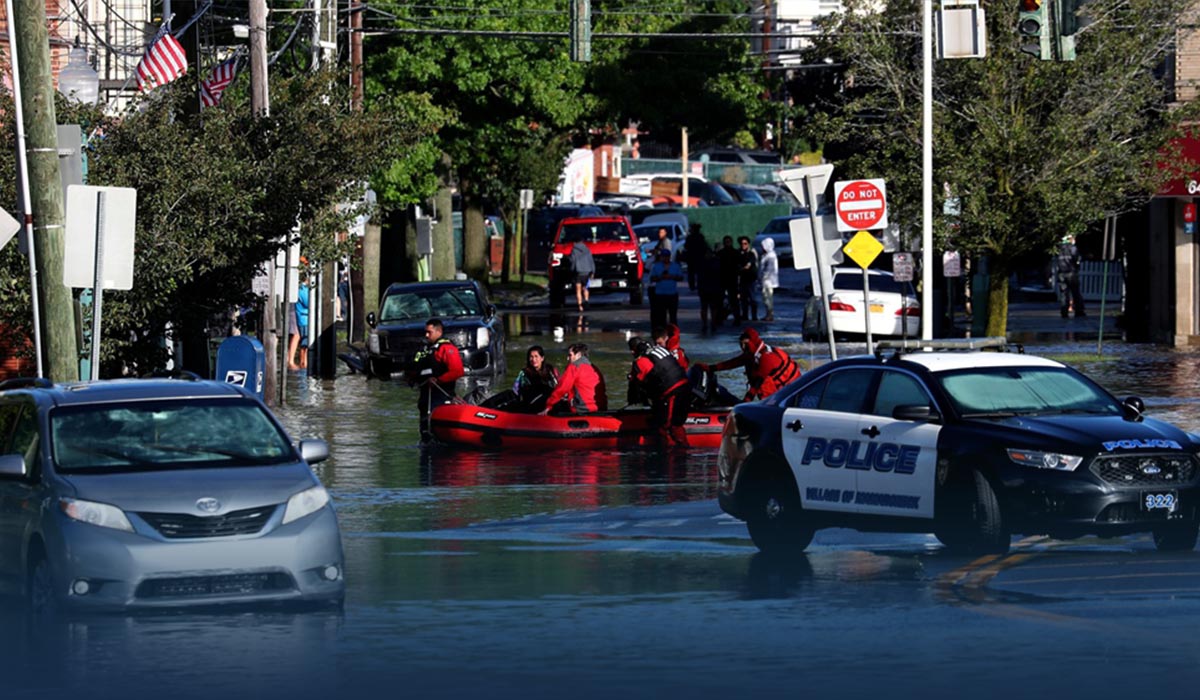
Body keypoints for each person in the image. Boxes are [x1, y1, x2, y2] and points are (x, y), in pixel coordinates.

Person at [697, 327, 800, 402]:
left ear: (753, 342)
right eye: (741, 344)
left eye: (745, 344)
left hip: (788, 393)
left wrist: (745, 403)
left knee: (764, 385)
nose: (743, 347)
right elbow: (732, 363)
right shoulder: (753, 353)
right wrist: (710, 368)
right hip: (781, 392)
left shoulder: (767, 358)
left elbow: (757, 384)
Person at [627, 336, 692, 448]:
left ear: (633, 350)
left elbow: (636, 386)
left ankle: (674, 454)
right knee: (675, 422)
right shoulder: (660, 349)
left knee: (667, 426)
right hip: (685, 386)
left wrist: (633, 399)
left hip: (673, 392)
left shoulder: (642, 361)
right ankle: (680, 450)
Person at [408, 318, 465, 440]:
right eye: (425, 332)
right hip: (425, 397)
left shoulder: (446, 349)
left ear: (439, 332)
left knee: (435, 428)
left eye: (429, 332)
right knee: (425, 428)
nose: (426, 335)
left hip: (441, 395)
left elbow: (457, 371)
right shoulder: (425, 350)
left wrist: (438, 380)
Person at [542, 343, 608, 415]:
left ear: (578, 355)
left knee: (555, 404)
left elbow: (562, 389)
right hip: (601, 408)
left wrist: (549, 406)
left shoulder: (574, 367)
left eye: (570, 355)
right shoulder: (594, 368)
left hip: (582, 409)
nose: (567, 358)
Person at [512, 345, 559, 411]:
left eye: (536, 356)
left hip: (548, 400)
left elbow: (558, 387)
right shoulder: (524, 373)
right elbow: (516, 390)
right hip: (531, 402)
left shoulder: (550, 370)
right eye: (531, 357)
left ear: (542, 358)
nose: (533, 359)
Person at [649, 248, 683, 328]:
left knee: (673, 317)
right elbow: (652, 279)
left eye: (667, 256)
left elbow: (681, 278)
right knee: (661, 317)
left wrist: (672, 277)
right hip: (660, 294)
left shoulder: (675, 266)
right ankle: (663, 333)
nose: (665, 258)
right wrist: (661, 277)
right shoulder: (656, 266)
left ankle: (674, 333)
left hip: (672, 294)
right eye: (663, 256)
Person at [1055, 234, 1086, 318]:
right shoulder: (1072, 248)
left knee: (1064, 293)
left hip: (1061, 274)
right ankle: (1078, 311)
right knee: (1075, 293)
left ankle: (1064, 311)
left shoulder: (1059, 250)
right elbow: (1077, 259)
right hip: (1071, 273)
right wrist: (1077, 266)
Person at [698, 249, 725, 333]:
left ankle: (709, 323)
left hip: (710, 288)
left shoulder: (706, 263)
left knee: (709, 308)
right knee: (708, 308)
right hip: (708, 288)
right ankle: (709, 323)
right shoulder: (714, 263)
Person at [287, 272, 310, 370]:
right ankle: (303, 362)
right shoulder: (302, 289)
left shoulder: (300, 288)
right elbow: (307, 302)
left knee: (305, 342)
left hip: (304, 318)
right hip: (304, 319)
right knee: (305, 342)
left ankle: (304, 362)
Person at [718, 236, 741, 323]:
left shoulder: (735, 253)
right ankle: (720, 317)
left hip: (732, 279)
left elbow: (739, 265)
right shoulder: (721, 253)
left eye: (729, 242)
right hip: (723, 279)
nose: (727, 243)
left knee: (734, 301)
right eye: (726, 242)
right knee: (720, 300)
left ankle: (737, 318)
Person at [737, 236, 759, 322]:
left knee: (753, 298)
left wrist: (742, 268)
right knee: (743, 298)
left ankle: (754, 316)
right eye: (742, 244)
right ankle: (745, 315)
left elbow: (748, 265)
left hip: (751, 279)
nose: (743, 245)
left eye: (745, 244)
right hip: (743, 279)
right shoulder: (739, 254)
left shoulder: (751, 253)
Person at [569, 239, 595, 312]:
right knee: (586, 288)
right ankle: (586, 300)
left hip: (578, 272)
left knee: (578, 290)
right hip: (587, 272)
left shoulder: (574, 251)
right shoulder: (587, 250)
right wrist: (592, 271)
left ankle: (580, 306)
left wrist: (572, 270)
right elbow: (591, 261)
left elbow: (572, 261)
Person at [683, 223, 709, 290]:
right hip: (699, 258)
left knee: (691, 273)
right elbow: (704, 247)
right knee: (699, 273)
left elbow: (686, 246)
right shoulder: (700, 237)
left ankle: (692, 286)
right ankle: (699, 285)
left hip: (692, 258)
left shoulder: (690, 237)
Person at [759, 237, 779, 323]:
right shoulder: (767, 255)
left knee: (767, 298)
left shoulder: (770, 256)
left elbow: (769, 269)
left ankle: (770, 314)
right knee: (766, 298)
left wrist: (763, 277)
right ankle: (768, 314)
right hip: (766, 280)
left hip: (768, 281)